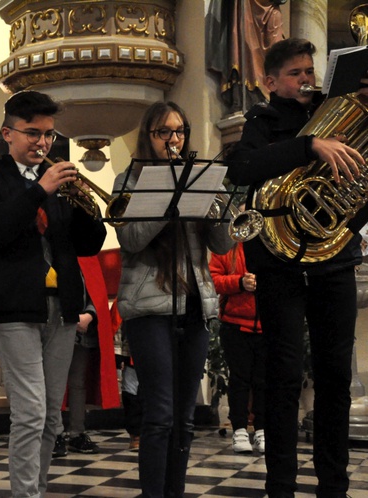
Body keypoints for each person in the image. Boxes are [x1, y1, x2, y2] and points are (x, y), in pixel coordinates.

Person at [226, 38, 367, 497]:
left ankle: (334, 486)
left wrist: (350, 229)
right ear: (270, 82)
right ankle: (281, 487)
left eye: (310, 70)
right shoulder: (261, 122)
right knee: (284, 378)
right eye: (296, 73)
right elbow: (241, 168)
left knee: (335, 380)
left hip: (335, 260)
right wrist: (309, 146)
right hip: (279, 265)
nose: (307, 78)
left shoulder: (338, 113)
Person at [0, 90, 107, 497]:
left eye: (47, 134)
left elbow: (90, 245)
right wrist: (39, 191)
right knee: (29, 415)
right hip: (14, 310)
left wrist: (84, 207)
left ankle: (37, 491)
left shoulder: (58, 182)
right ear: (8, 134)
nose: (42, 143)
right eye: (32, 134)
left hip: (60, 309)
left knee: (50, 419)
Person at [112, 101, 233, 497]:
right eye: (164, 132)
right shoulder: (127, 179)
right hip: (149, 307)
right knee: (160, 415)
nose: (174, 139)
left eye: (179, 131)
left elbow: (222, 243)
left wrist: (218, 208)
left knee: (183, 419)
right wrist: (172, 201)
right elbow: (130, 240)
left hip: (194, 304)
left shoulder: (198, 176)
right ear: (149, 136)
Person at [53, 256, 120, 457]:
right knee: (53, 383)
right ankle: (54, 433)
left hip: (82, 330)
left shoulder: (87, 256)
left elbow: (96, 293)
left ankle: (77, 433)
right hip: (57, 326)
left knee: (77, 382)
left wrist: (89, 315)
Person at [209, 221, 265, 454]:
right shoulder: (227, 247)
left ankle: (262, 429)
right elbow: (212, 279)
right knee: (239, 380)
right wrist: (240, 282)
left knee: (263, 381)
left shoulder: (270, 246)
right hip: (235, 324)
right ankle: (240, 429)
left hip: (266, 325)